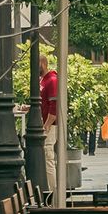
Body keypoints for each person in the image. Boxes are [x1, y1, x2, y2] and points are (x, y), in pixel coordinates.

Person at [39, 51, 59, 199]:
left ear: (43, 64)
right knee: (46, 158)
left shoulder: (51, 80)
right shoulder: (44, 80)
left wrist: (47, 124)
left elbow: (54, 105)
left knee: (48, 157)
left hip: (50, 125)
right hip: (47, 123)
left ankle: (52, 192)